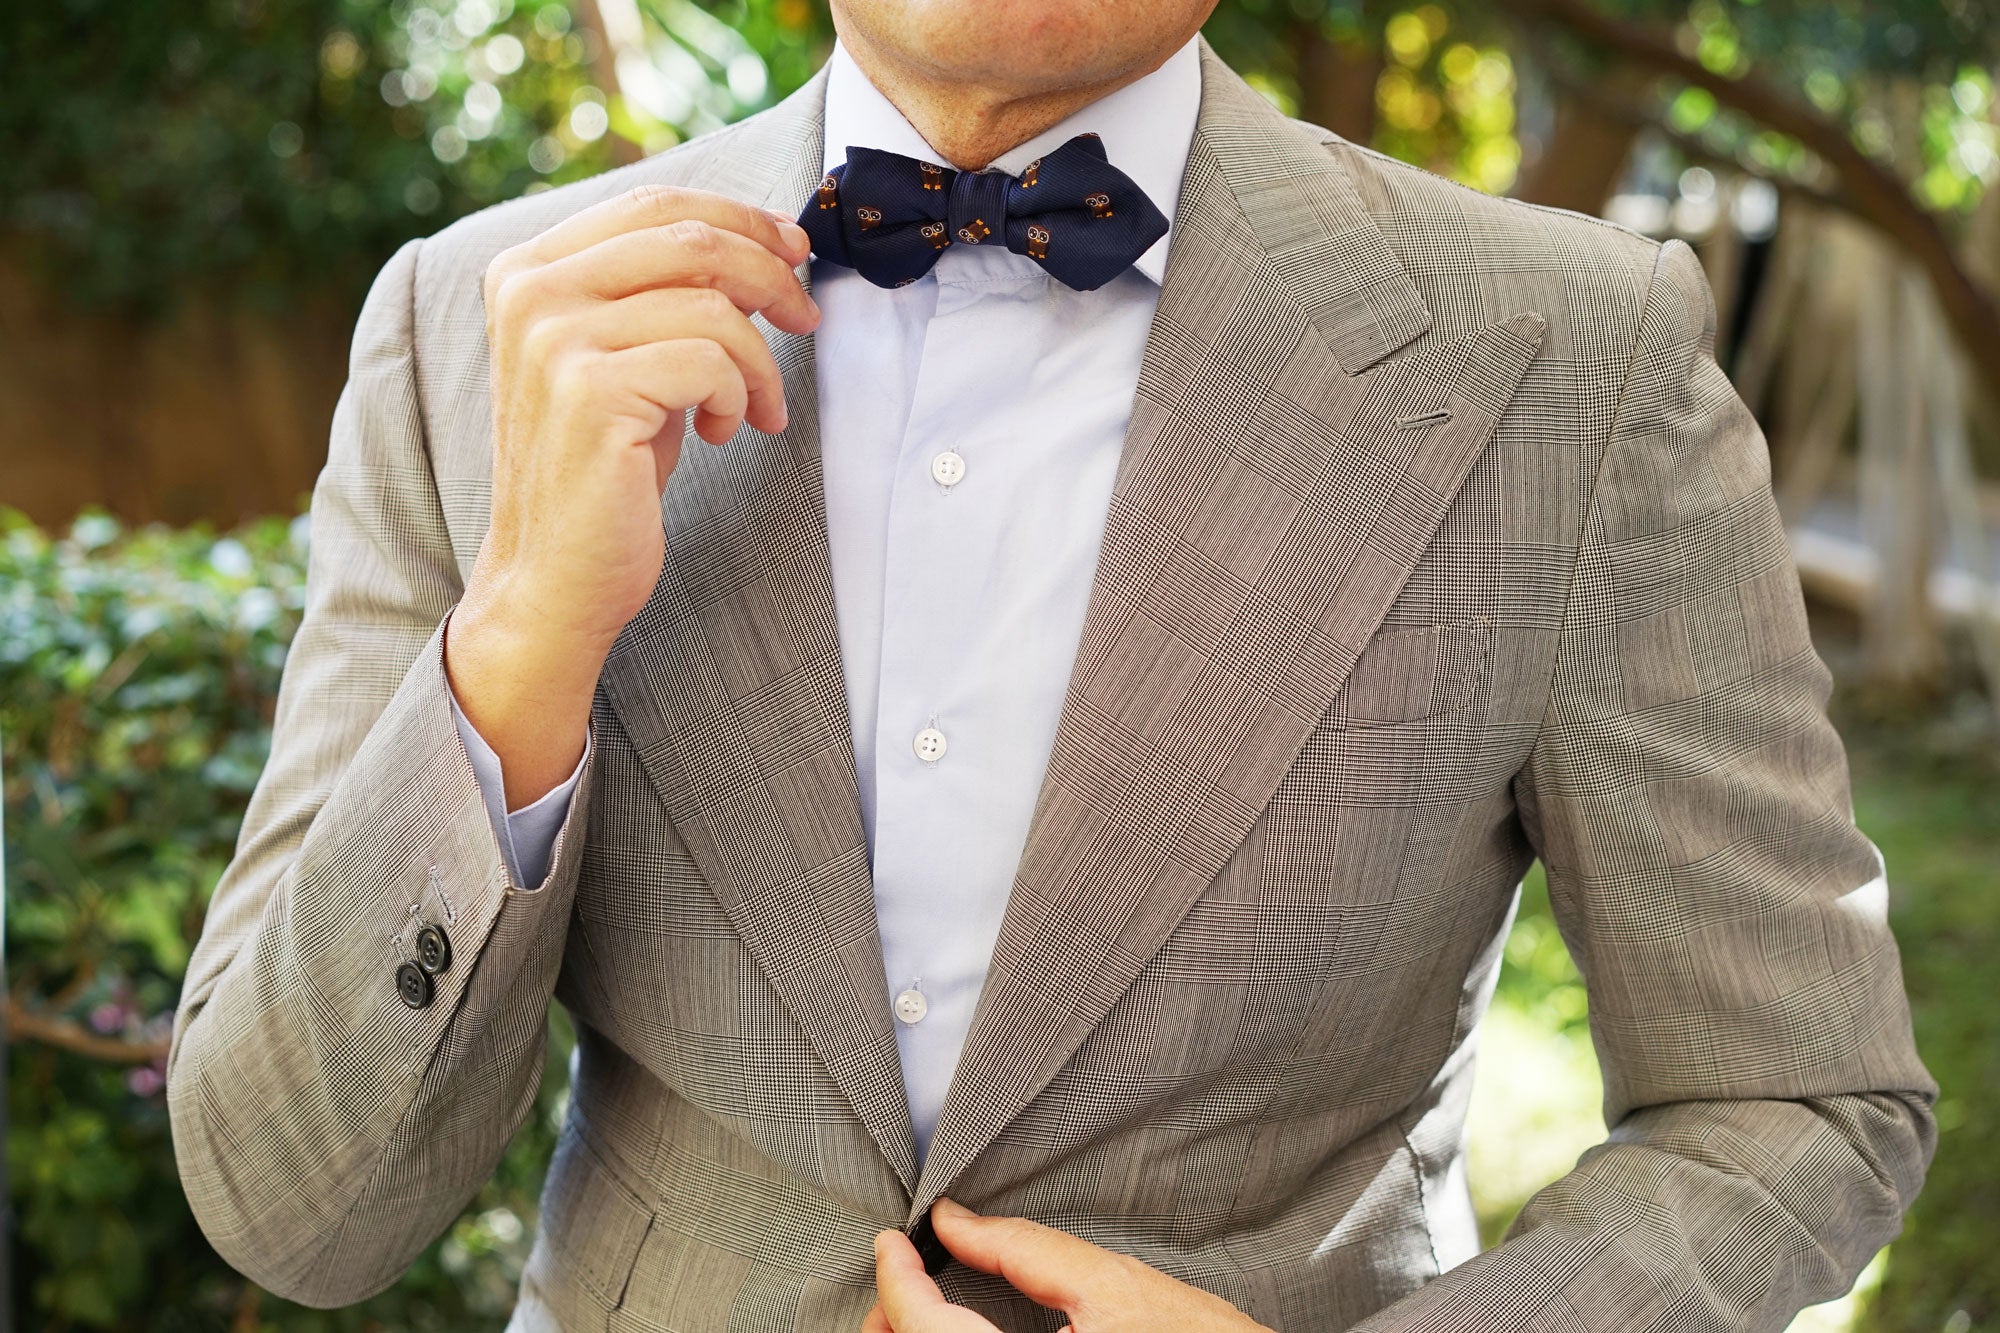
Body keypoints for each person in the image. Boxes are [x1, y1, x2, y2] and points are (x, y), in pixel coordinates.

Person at [166, 1, 1937, 1328]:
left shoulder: (1578, 356)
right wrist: (521, 641)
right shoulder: (470, 326)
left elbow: (1795, 1095)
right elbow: (287, 1200)